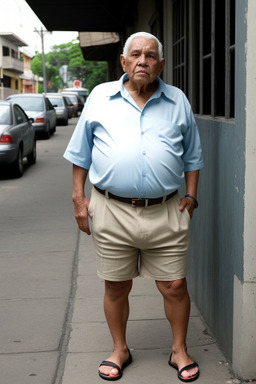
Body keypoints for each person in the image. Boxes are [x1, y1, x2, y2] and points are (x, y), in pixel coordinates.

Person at [64, 31, 204, 382]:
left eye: (151, 55)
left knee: (174, 285)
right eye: (136, 54)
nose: (143, 60)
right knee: (115, 285)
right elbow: (80, 154)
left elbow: (193, 155)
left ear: (161, 64)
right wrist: (80, 199)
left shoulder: (177, 100)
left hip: (166, 209)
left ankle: (179, 350)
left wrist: (190, 197)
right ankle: (119, 348)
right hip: (112, 209)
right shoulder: (100, 97)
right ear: (124, 62)